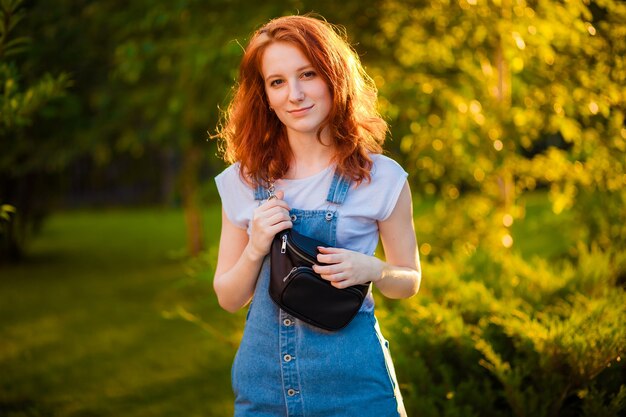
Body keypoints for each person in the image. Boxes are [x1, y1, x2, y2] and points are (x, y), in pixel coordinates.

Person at [213, 14, 421, 417]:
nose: (294, 94)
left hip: (356, 393)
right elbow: (228, 298)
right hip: (264, 394)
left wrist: (373, 269)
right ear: (266, 97)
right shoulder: (241, 181)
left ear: (333, 77)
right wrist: (256, 246)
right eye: (277, 82)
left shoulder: (382, 178)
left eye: (307, 74)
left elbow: (409, 280)